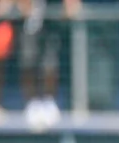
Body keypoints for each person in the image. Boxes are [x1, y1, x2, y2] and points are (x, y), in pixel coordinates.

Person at [17, 0, 82, 131]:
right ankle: (31, 103)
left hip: (51, 21)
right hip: (28, 22)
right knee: (28, 62)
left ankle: (49, 101)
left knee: (50, 63)